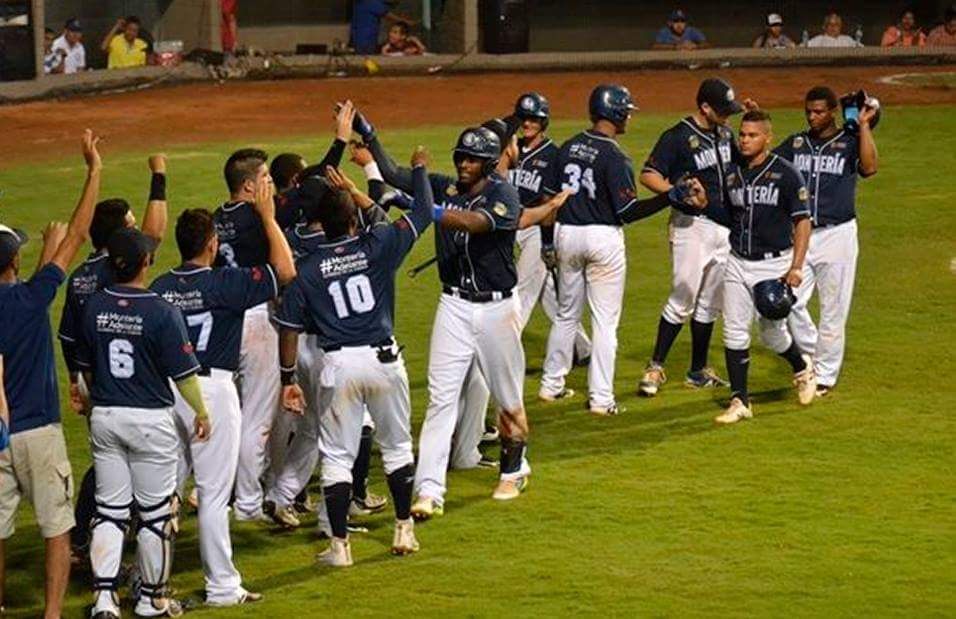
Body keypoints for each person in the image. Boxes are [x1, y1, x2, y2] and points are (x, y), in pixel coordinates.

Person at [362, 115, 540, 514]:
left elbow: (474, 222)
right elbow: (393, 172)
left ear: (489, 164)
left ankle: (514, 469)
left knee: (508, 396)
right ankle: (429, 491)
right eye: (462, 156)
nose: (464, 164)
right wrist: (369, 133)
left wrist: (423, 206)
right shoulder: (446, 187)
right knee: (442, 399)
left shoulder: (503, 195)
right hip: (454, 306)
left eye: (473, 159)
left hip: (497, 309)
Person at [276, 151, 435, 566]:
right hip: (384, 360)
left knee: (337, 457)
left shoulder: (308, 268)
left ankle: (340, 548)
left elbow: (290, 327)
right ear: (353, 220)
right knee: (397, 448)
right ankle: (404, 529)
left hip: (338, 366)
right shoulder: (378, 245)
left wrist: (288, 378)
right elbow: (422, 211)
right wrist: (416, 167)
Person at [150, 173, 295, 604]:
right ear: (212, 246)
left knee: (164, 493)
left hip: (166, 393)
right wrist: (269, 219)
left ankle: (150, 582)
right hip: (211, 392)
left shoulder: (159, 288)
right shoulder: (225, 283)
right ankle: (222, 586)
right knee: (213, 495)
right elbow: (285, 270)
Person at [538, 84, 708, 415]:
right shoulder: (615, 156)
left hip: (566, 234)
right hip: (602, 240)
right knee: (604, 323)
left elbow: (547, 200)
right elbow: (627, 212)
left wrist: (548, 241)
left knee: (566, 314)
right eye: (627, 111)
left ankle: (551, 385)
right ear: (615, 113)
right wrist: (668, 197)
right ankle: (601, 400)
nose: (629, 116)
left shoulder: (569, 146)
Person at [77, 225, 210, 618]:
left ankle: (104, 601)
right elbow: (184, 375)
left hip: (105, 416)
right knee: (155, 515)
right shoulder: (161, 310)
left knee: (110, 511)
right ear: (145, 262)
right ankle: (152, 599)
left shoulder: (94, 306)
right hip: (149, 420)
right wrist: (202, 411)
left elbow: (85, 370)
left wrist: (96, 405)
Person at [0, 130, 101, 619]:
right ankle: (53, 614)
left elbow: (29, 303)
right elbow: (79, 234)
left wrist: (46, 254)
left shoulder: (25, 298)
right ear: (14, 261)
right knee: (57, 527)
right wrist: (94, 168)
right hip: (38, 433)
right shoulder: (27, 297)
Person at [58, 156, 169, 562]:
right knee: (125, 462)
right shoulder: (117, 268)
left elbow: (68, 336)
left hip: (93, 379)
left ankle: (86, 535)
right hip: (128, 383)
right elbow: (156, 232)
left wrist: (76, 383)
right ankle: (114, 536)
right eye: (131, 222)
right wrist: (159, 176)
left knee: (107, 457)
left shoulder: (80, 276)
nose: (139, 227)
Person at [637, 78, 747, 397]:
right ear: (705, 108)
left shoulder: (725, 133)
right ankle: (655, 366)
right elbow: (648, 174)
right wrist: (674, 192)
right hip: (692, 226)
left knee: (710, 302)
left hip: (724, 227)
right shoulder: (677, 137)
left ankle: (697, 370)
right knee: (682, 297)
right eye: (723, 110)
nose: (728, 116)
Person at [709, 110, 817, 424]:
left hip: (775, 264)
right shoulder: (732, 174)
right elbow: (729, 217)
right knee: (733, 331)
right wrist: (705, 204)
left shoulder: (786, 174)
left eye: (752, 135)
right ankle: (740, 401)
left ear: (767, 138)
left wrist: (796, 267)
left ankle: (802, 368)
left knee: (772, 335)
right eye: (742, 134)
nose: (744, 140)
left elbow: (803, 222)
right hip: (738, 260)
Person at [774, 86, 879, 396]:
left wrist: (862, 127)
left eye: (818, 111)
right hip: (802, 235)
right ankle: (812, 352)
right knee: (786, 301)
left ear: (833, 111)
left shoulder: (849, 143)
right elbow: (769, 164)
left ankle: (824, 376)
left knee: (834, 308)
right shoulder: (797, 143)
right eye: (808, 111)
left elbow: (870, 168)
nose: (812, 116)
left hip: (838, 235)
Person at [506, 93, 592, 369]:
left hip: (538, 230)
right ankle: (582, 347)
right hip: (511, 228)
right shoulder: (511, 149)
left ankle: (504, 349)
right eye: (523, 118)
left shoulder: (553, 155)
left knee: (521, 290)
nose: (527, 123)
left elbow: (548, 204)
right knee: (550, 295)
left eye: (534, 119)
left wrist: (546, 244)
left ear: (543, 122)